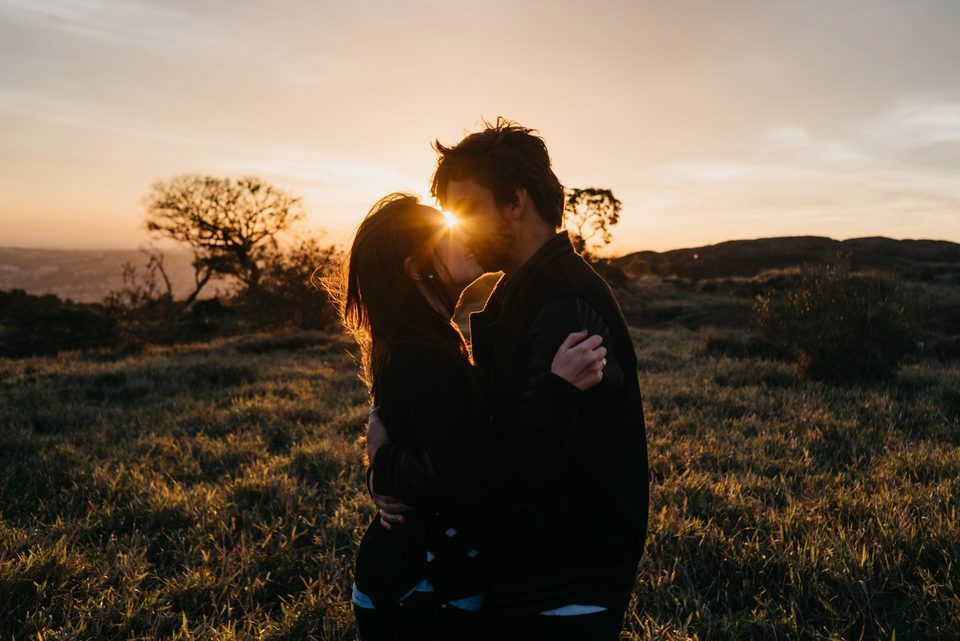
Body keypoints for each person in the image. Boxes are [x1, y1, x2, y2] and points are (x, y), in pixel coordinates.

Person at [366, 119, 650, 641]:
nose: (460, 226)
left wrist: (391, 468)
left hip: (567, 579)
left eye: (467, 209)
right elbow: (488, 437)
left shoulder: (565, 305)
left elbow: (515, 469)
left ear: (516, 202)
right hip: (537, 567)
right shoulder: (517, 293)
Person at [331, 193, 608, 641]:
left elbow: (449, 452)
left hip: (421, 582)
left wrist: (384, 470)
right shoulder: (424, 358)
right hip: (422, 593)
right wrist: (557, 390)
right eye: (447, 233)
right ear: (415, 266)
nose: (467, 236)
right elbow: (482, 480)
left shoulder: (422, 342)